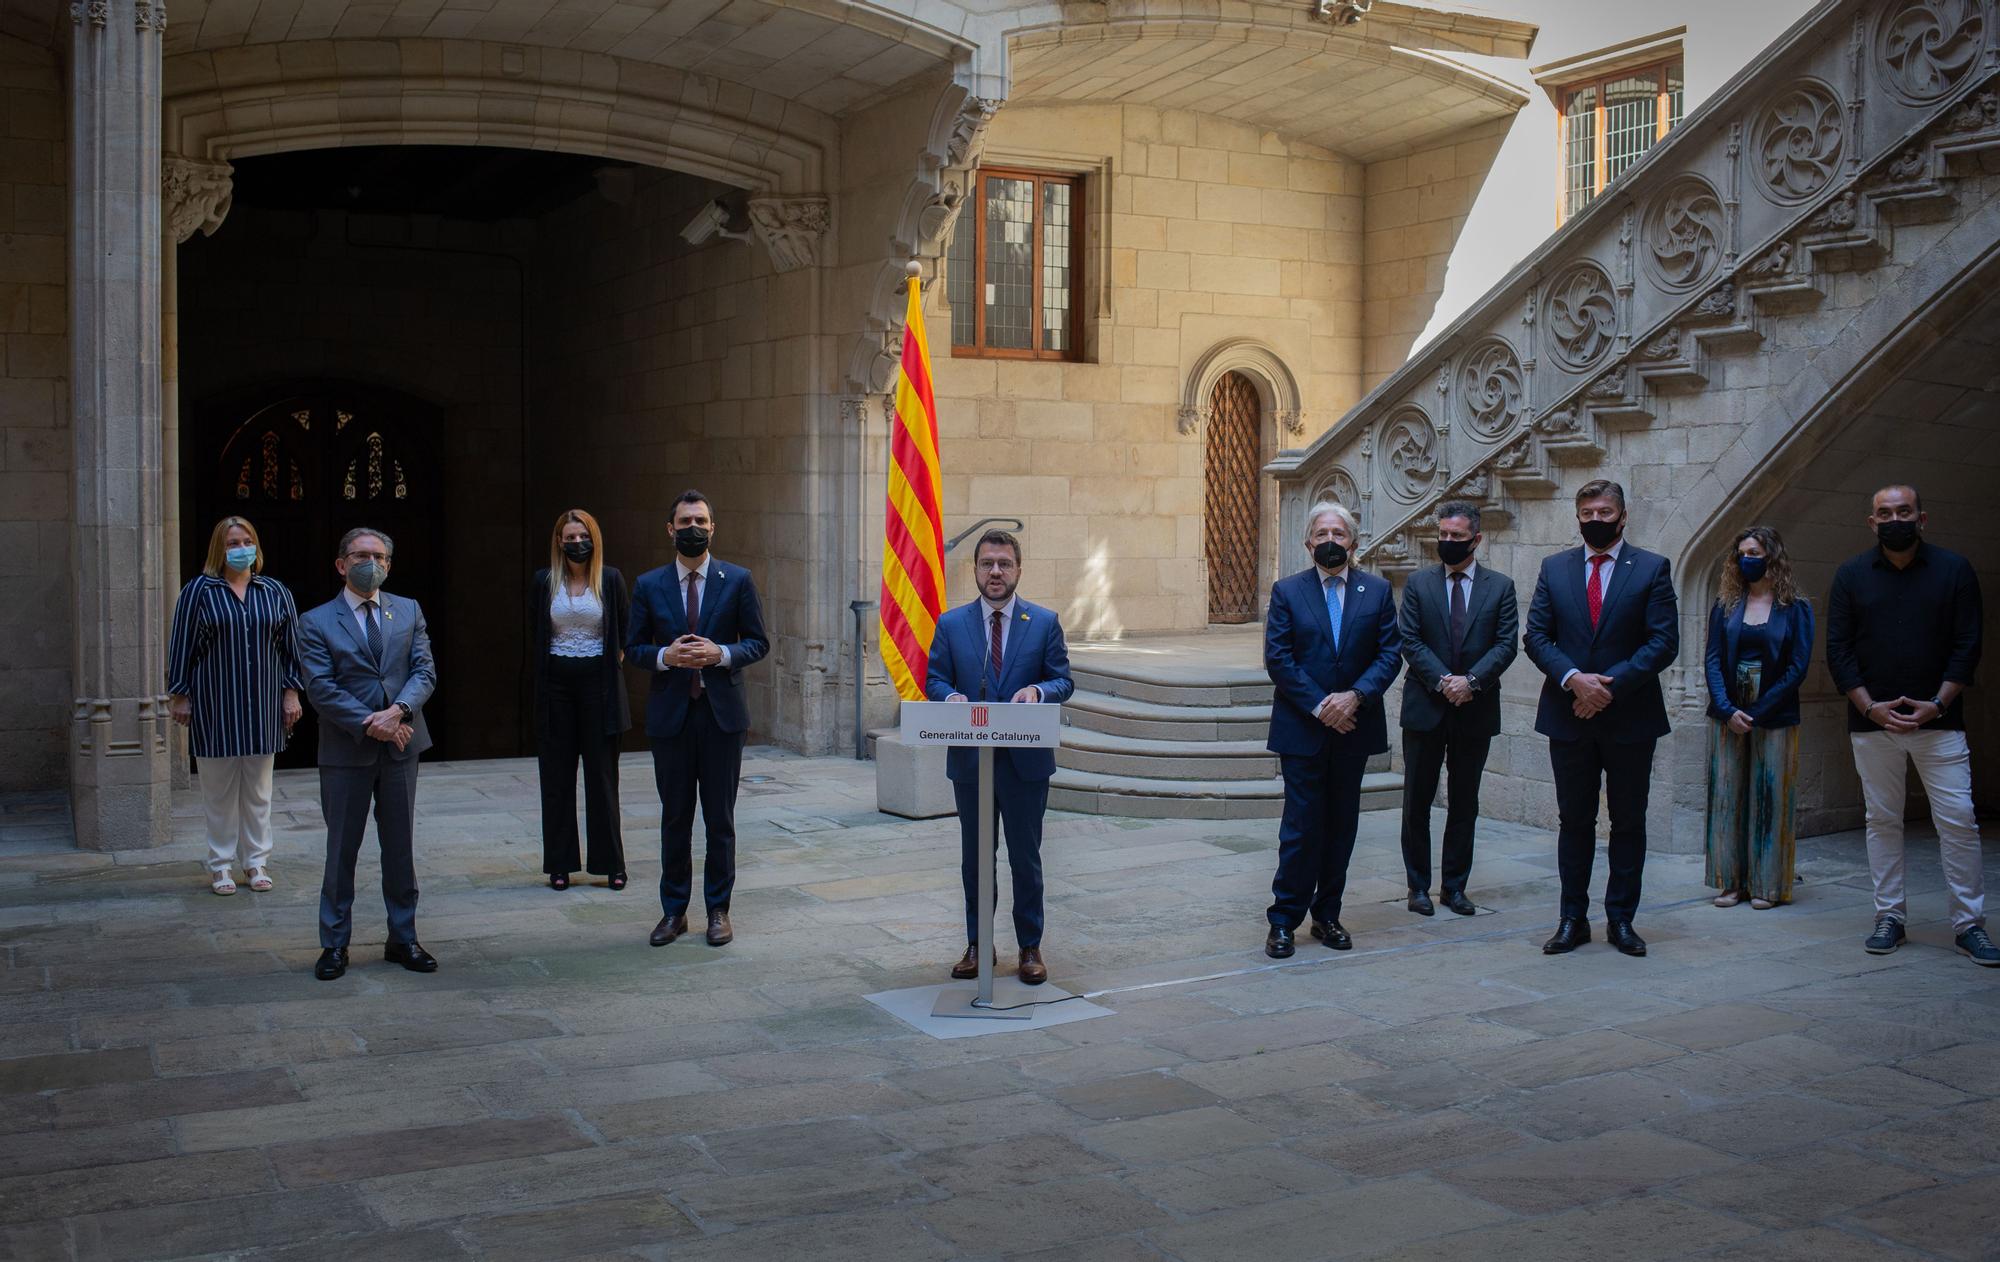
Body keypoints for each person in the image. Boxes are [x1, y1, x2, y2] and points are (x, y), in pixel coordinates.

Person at [1826, 484, 1993, 966]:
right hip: (1872, 724)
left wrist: (1936, 705)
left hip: (1940, 723)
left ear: (1922, 518)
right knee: (1882, 821)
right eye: (1884, 513)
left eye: (1904, 511)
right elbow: (1839, 649)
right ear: (1871, 522)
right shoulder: (1851, 575)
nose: (1894, 518)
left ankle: (1968, 924)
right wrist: (1869, 706)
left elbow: (1968, 644)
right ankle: (1889, 917)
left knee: (1958, 819)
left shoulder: (1954, 570)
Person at [1523, 479, 1679, 958]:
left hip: (1630, 717)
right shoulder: (1555, 568)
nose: (1595, 519)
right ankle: (1572, 919)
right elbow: (1536, 636)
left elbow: (1662, 642)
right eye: (1587, 512)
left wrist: (1605, 687)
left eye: (1604, 511)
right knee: (1575, 820)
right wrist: (1575, 679)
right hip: (1569, 715)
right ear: (1577, 516)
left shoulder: (1652, 568)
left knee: (1629, 821)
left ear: (1623, 515)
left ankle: (1621, 920)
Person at [924, 529, 1075, 985]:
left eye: (1004, 564)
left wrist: (1038, 690)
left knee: (1025, 857)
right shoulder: (951, 625)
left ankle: (1030, 946)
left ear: (1018, 570)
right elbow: (934, 679)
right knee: (976, 856)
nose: (995, 572)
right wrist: (950, 699)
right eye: (987, 563)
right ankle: (978, 943)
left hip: (1025, 763)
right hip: (972, 760)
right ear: (974, 569)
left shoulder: (1044, 622)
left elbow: (1063, 680)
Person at [628, 490, 768, 949]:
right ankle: (673, 912)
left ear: (713, 528)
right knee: (675, 818)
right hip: (671, 717)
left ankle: (718, 911)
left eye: (701, 521)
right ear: (670, 530)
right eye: (685, 521)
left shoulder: (738, 579)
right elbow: (634, 648)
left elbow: (758, 642)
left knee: (719, 819)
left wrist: (721, 653)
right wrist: (666, 656)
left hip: (721, 717)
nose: (694, 528)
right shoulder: (650, 585)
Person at [297, 527, 438, 981]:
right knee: (342, 850)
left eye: (378, 556)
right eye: (360, 555)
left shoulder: (409, 610)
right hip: (346, 751)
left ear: (389, 565)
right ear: (341, 564)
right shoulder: (316, 621)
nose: (370, 563)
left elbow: (424, 670)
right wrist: (372, 724)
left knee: (400, 848)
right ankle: (334, 944)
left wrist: (396, 711)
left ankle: (403, 938)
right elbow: (321, 688)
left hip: (401, 746)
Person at [1263, 501, 1402, 959]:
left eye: (1338, 534)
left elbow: (1389, 654)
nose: (1329, 541)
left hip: (1354, 727)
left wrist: (1354, 697)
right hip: (1303, 727)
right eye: (1321, 534)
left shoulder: (1377, 592)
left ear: (1353, 541)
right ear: (1308, 543)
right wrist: (1323, 704)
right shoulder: (1287, 591)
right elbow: (1279, 659)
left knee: (1342, 825)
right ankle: (1284, 920)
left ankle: (1327, 915)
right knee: (1301, 827)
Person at [166, 516, 305, 896]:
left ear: (256, 545)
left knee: (260, 790)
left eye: (246, 540)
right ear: (218, 549)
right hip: (215, 704)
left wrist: (291, 692)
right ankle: (221, 864)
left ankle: (256, 861)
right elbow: (182, 645)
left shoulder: (275, 592)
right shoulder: (199, 591)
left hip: (263, 706)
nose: (240, 548)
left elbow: (292, 649)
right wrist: (180, 694)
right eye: (231, 543)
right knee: (218, 791)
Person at [1397, 501, 1518, 918]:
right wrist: (1445, 681)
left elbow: (1506, 644)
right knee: (1416, 801)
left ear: (1476, 539)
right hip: (1425, 705)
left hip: (1475, 708)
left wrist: (1472, 683)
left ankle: (1455, 887)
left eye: (1456, 537)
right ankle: (1417, 887)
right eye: (1443, 535)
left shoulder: (1500, 587)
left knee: (1465, 802)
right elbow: (1409, 640)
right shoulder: (1418, 583)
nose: (1447, 543)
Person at [1703, 526, 1812, 911]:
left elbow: (1798, 668)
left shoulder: (1796, 608)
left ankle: (1768, 883)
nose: (1747, 559)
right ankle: (1731, 882)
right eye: (1742, 552)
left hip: (1774, 710)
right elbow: (1713, 659)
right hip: (1727, 711)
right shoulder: (1726, 604)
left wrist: (1757, 710)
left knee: (1770, 796)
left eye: (1755, 552)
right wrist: (1727, 707)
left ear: (1772, 557)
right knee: (1727, 796)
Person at [531, 509, 631, 891]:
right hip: (555, 686)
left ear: (594, 539)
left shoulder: (610, 579)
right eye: (569, 537)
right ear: (559, 542)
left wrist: (608, 667)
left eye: (582, 536)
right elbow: (536, 631)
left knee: (602, 776)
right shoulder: (544, 582)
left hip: (599, 687)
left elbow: (624, 630)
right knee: (556, 777)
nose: (576, 543)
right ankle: (559, 863)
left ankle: (611, 864)